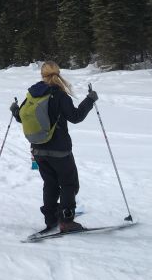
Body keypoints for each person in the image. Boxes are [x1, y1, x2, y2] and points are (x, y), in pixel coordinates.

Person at [10, 61, 98, 232]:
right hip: (60, 150)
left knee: (50, 184)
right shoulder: (59, 95)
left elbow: (21, 117)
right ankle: (66, 220)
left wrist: (14, 110)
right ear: (58, 73)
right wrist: (90, 100)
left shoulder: (32, 94)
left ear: (42, 75)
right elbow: (76, 116)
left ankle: (50, 218)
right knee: (68, 184)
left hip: (38, 149)